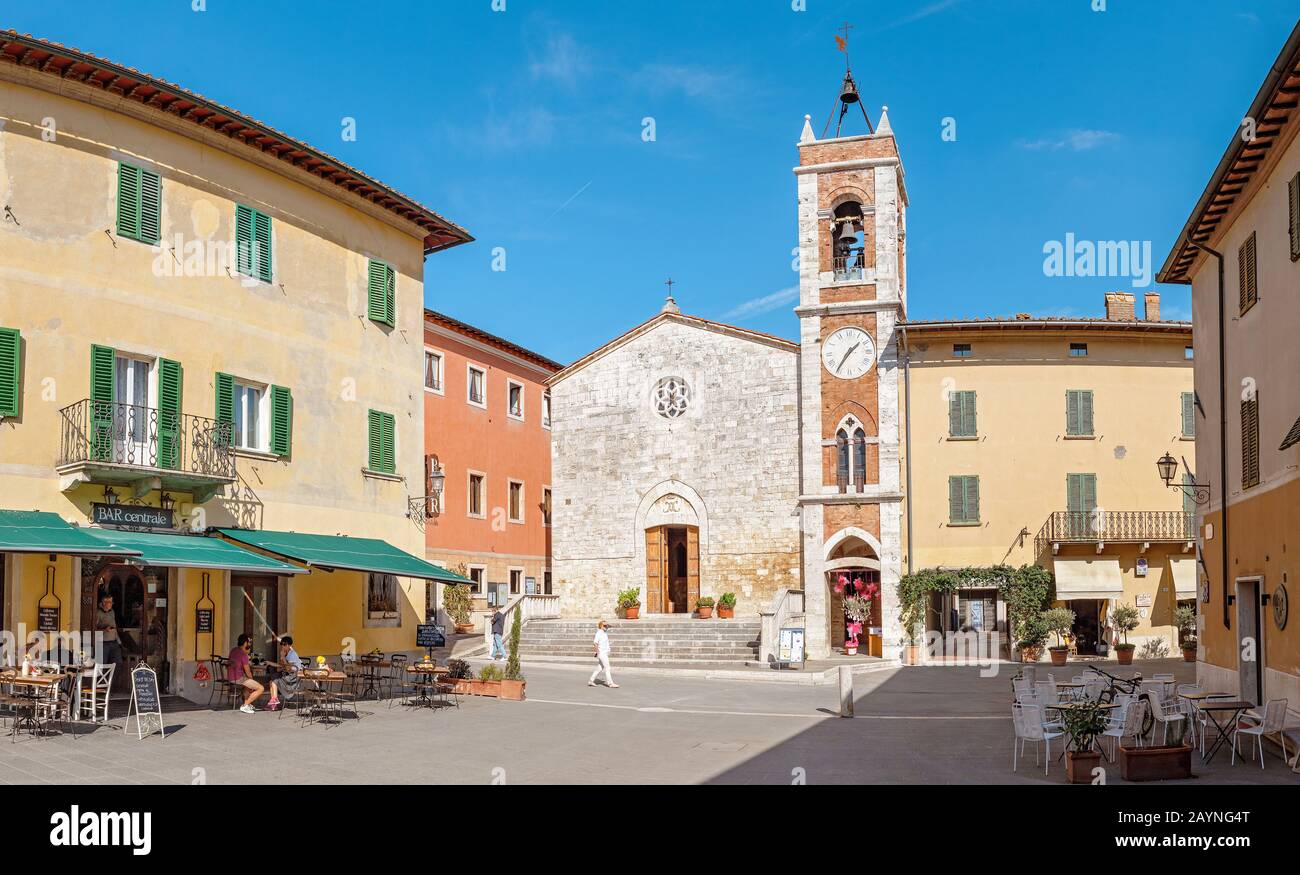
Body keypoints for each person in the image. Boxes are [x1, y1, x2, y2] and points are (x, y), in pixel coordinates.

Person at [227, 633, 264, 713]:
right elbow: (248, 672)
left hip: (231, 677)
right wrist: (253, 681)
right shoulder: (243, 655)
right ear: (245, 643)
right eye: (249, 642)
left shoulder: (233, 650)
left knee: (247, 686)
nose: (250, 644)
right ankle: (245, 705)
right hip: (239, 678)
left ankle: (248, 703)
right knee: (260, 688)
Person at [265, 635, 303, 712]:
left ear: (289, 645)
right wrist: (269, 663)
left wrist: (283, 657)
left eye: (284, 644)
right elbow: (280, 666)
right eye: (282, 644)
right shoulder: (285, 653)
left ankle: (274, 703)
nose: (282, 646)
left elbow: (288, 669)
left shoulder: (292, 654)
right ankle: (274, 702)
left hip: (293, 678)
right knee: (272, 680)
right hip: (287, 675)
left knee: (274, 679)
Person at [95, 591, 124, 677]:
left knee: (118, 664)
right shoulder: (98, 613)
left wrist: (119, 642)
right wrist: (104, 629)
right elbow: (93, 629)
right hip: (103, 643)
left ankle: (112, 684)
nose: (111, 604)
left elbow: (114, 628)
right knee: (101, 665)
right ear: (104, 603)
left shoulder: (112, 612)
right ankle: (100, 686)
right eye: (109, 602)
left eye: (112, 602)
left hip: (114, 642)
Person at [588, 620, 618, 688]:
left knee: (599, 668)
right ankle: (610, 683)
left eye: (606, 626)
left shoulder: (604, 632)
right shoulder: (599, 633)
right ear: (601, 626)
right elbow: (595, 643)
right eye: (604, 626)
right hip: (602, 653)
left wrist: (607, 625)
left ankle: (591, 681)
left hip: (605, 652)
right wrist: (597, 652)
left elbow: (608, 626)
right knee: (607, 667)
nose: (606, 627)